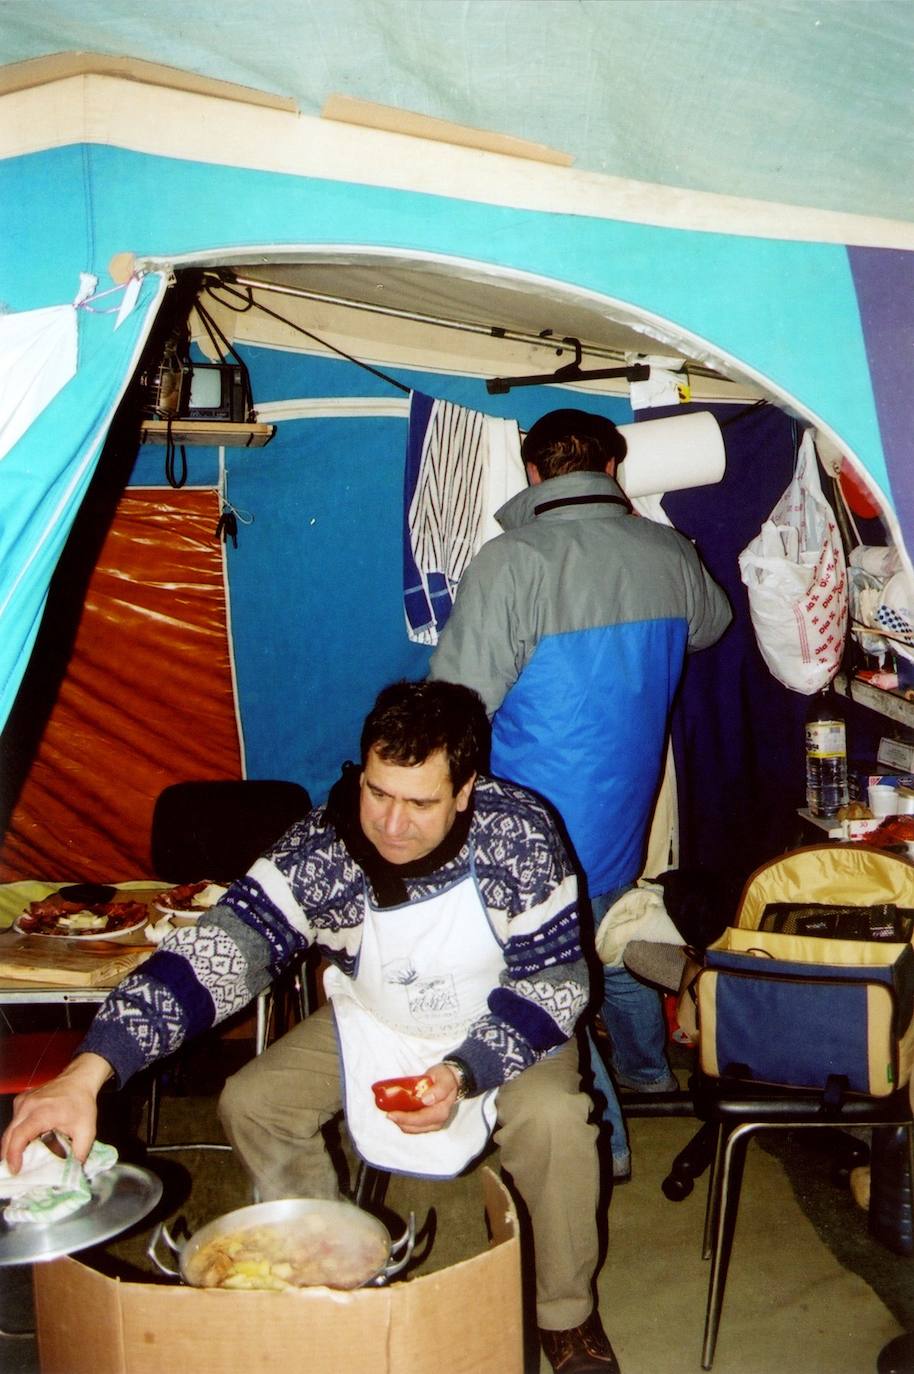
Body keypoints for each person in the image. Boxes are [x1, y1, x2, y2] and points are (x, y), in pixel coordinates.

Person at [2, 679, 620, 1374]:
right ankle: (330, 1275)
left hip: (512, 1018)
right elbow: (214, 955)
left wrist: (465, 1070)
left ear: (467, 790)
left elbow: (558, 982)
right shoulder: (324, 848)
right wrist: (88, 1071)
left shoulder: (522, 833)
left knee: (556, 1120)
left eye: (420, 803)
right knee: (254, 1102)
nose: (391, 823)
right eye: (378, 792)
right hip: (384, 1017)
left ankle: (565, 1316)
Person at [428, 407, 732, 1178]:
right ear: (611, 468)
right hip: (627, 801)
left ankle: (608, 1148)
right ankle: (648, 1068)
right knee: (610, 922)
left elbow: (455, 708)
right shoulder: (667, 550)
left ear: (534, 472)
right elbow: (712, 626)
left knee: (542, 971)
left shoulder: (512, 561)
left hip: (537, 821)